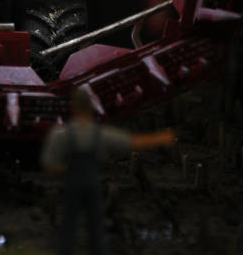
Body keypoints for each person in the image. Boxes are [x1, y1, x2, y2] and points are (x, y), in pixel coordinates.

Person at [40, 88, 175, 255]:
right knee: (96, 226)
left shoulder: (61, 134)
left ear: (73, 108)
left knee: (69, 223)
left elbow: (50, 166)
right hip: (92, 184)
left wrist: (68, 170)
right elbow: (131, 142)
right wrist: (159, 139)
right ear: (91, 108)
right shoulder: (100, 133)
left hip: (72, 184)